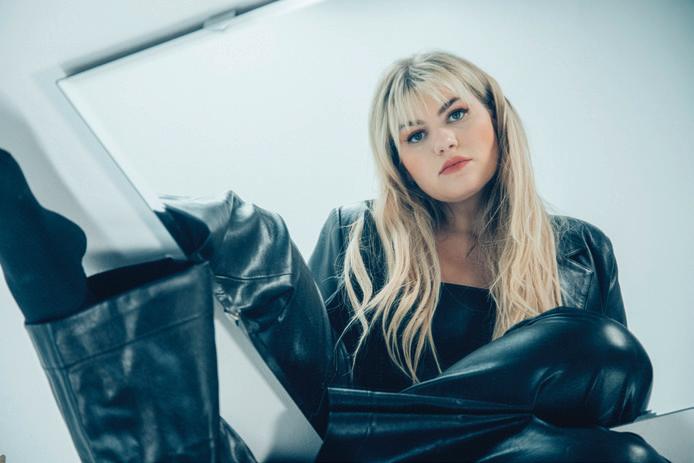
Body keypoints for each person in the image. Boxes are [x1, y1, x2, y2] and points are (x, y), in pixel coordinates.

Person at [0, 50, 668, 462]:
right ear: (399, 161)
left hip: (497, 454)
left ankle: (68, 304)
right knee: (254, 231)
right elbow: (311, 372)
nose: (443, 141)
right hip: (337, 423)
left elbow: (608, 412)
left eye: (457, 114)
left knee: (607, 365)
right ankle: (141, 225)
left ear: (498, 117)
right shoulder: (361, 231)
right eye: (415, 134)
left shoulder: (580, 249)